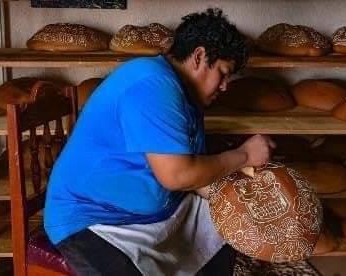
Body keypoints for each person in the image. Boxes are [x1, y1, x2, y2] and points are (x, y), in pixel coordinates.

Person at [44, 8, 275, 276]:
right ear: (199, 57)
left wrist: (242, 201)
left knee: (225, 224)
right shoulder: (153, 83)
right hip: (94, 220)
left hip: (151, 214)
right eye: (223, 73)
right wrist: (244, 156)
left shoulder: (185, 96)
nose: (225, 86)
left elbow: (195, 176)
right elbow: (178, 175)